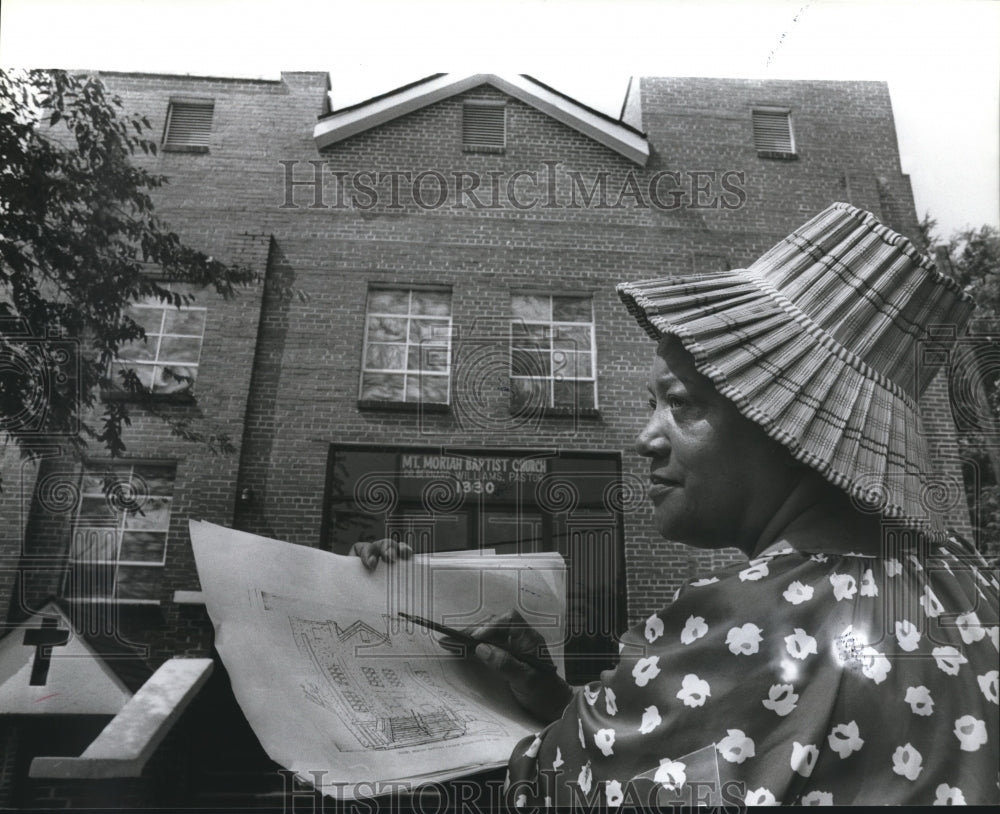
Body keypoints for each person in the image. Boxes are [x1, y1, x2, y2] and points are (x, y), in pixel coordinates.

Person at [354, 202, 1000, 806]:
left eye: (681, 403)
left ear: (787, 420)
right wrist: (557, 699)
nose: (645, 439)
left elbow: (551, 791)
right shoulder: (975, 585)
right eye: (648, 405)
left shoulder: (744, 626)